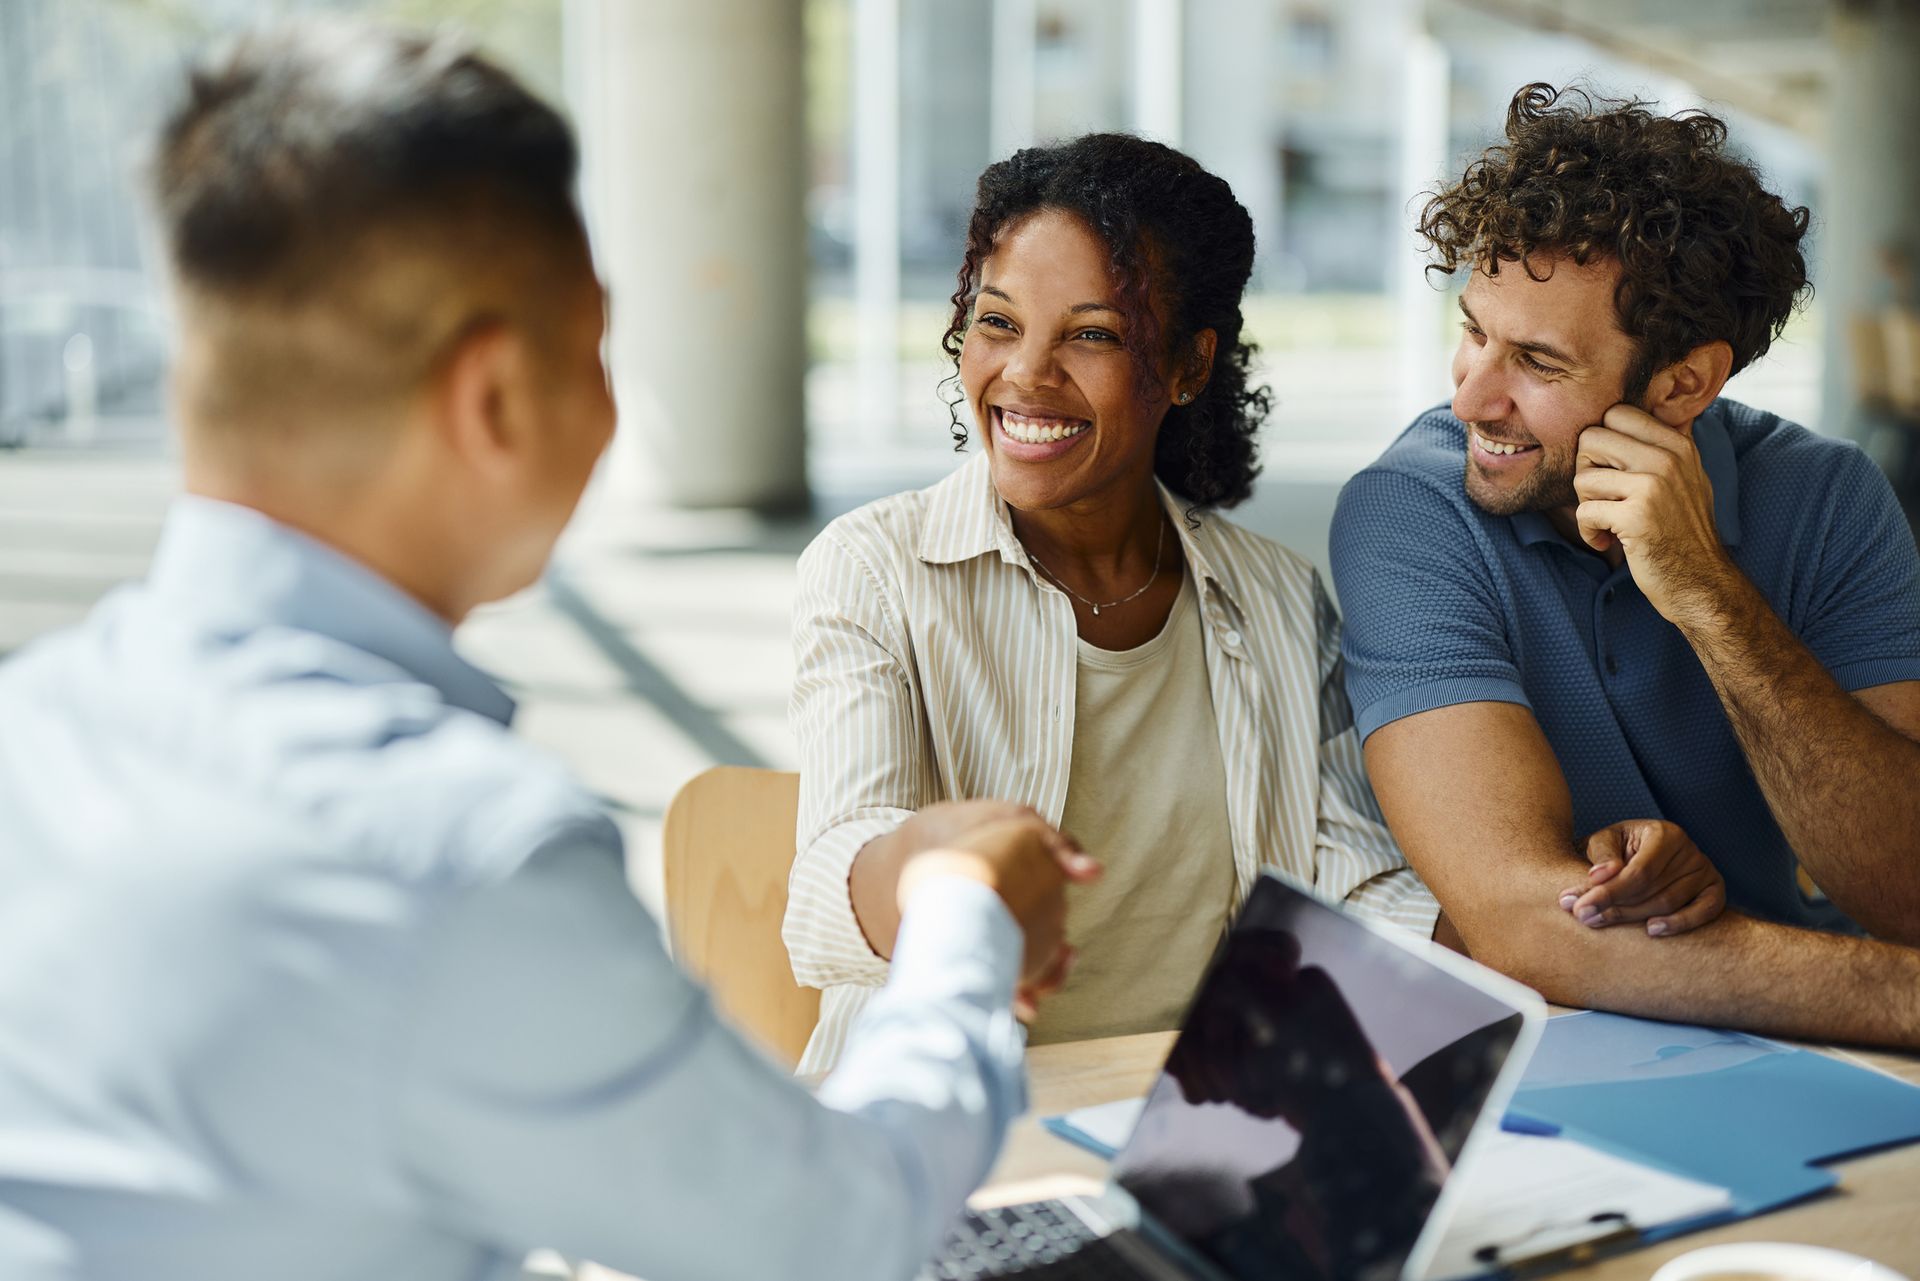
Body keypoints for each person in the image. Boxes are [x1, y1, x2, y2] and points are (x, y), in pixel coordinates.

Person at [0, 21, 1098, 1281]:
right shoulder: (458, 857)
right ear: (495, 401)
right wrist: (962, 918)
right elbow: (838, 1237)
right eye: (596, 347)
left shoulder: (29, 723)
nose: (616, 405)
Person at [785, 133, 1424, 1074]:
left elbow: (1354, 888)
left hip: (1206, 1131)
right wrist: (931, 865)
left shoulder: (1281, 600)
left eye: (1092, 334)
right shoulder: (875, 570)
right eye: (998, 322)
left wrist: (1570, 924)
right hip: (946, 1129)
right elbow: (829, 881)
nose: (1026, 376)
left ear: (1188, 365)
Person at [1331, 83, 1920, 1046]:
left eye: (1538, 363)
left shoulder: (1827, 499)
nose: (1475, 397)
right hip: (1580, 1050)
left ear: (1685, 382)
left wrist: (1710, 598)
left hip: (1832, 1055)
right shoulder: (1409, 510)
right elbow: (1524, 923)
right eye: (1474, 331)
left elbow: (1906, 888)